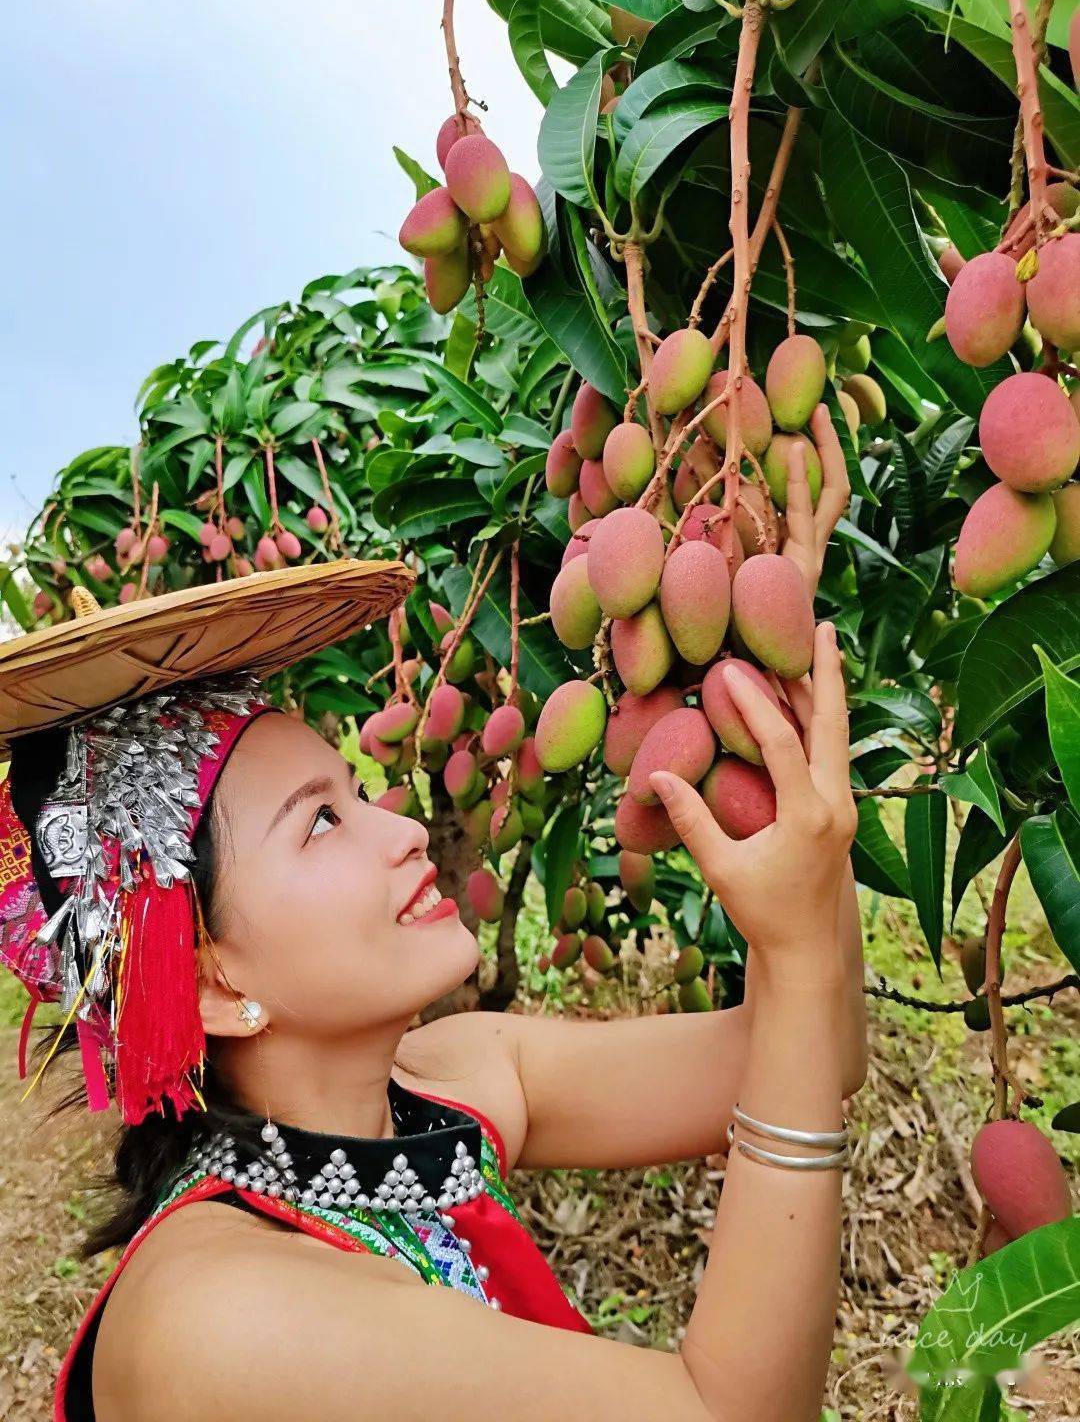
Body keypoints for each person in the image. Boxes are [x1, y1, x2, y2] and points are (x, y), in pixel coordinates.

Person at [0, 409, 867, 1422]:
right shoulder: (219, 1317)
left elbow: (816, 1050)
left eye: (356, 789)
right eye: (320, 823)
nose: (407, 830)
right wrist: (792, 942)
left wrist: (766, 672)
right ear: (211, 982)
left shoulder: (441, 1080)